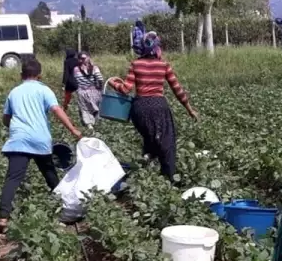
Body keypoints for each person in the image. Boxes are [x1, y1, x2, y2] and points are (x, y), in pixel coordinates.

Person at [0, 56, 82, 233]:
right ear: (39, 76)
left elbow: (6, 119)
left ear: (21, 75)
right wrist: (73, 130)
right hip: (40, 139)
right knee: (50, 174)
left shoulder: (14, 92)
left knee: (12, 179)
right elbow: (57, 110)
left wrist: (12, 125)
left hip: (19, 141)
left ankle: (3, 217)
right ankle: (63, 207)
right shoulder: (44, 90)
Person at [109, 32, 197, 181]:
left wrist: (113, 83)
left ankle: (147, 163)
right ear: (156, 48)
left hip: (140, 108)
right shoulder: (163, 65)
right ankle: (169, 180)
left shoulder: (136, 64)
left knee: (150, 138)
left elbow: (126, 89)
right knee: (167, 143)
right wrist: (189, 109)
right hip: (158, 106)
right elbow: (178, 90)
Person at [72, 52, 104, 127]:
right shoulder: (94, 68)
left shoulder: (76, 69)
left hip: (82, 92)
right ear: (89, 57)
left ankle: (89, 126)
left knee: (85, 110)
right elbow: (100, 79)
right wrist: (100, 87)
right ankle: (97, 124)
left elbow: (75, 80)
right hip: (94, 91)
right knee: (96, 108)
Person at [61, 48, 80, 112]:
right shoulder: (78, 61)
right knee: (79, 96)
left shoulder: (66, 61)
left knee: (67, 97)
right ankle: (80, 108)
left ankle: (64, 110)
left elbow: (66, 73)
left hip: (70, 82)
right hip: (78, 81)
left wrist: (64, 83)